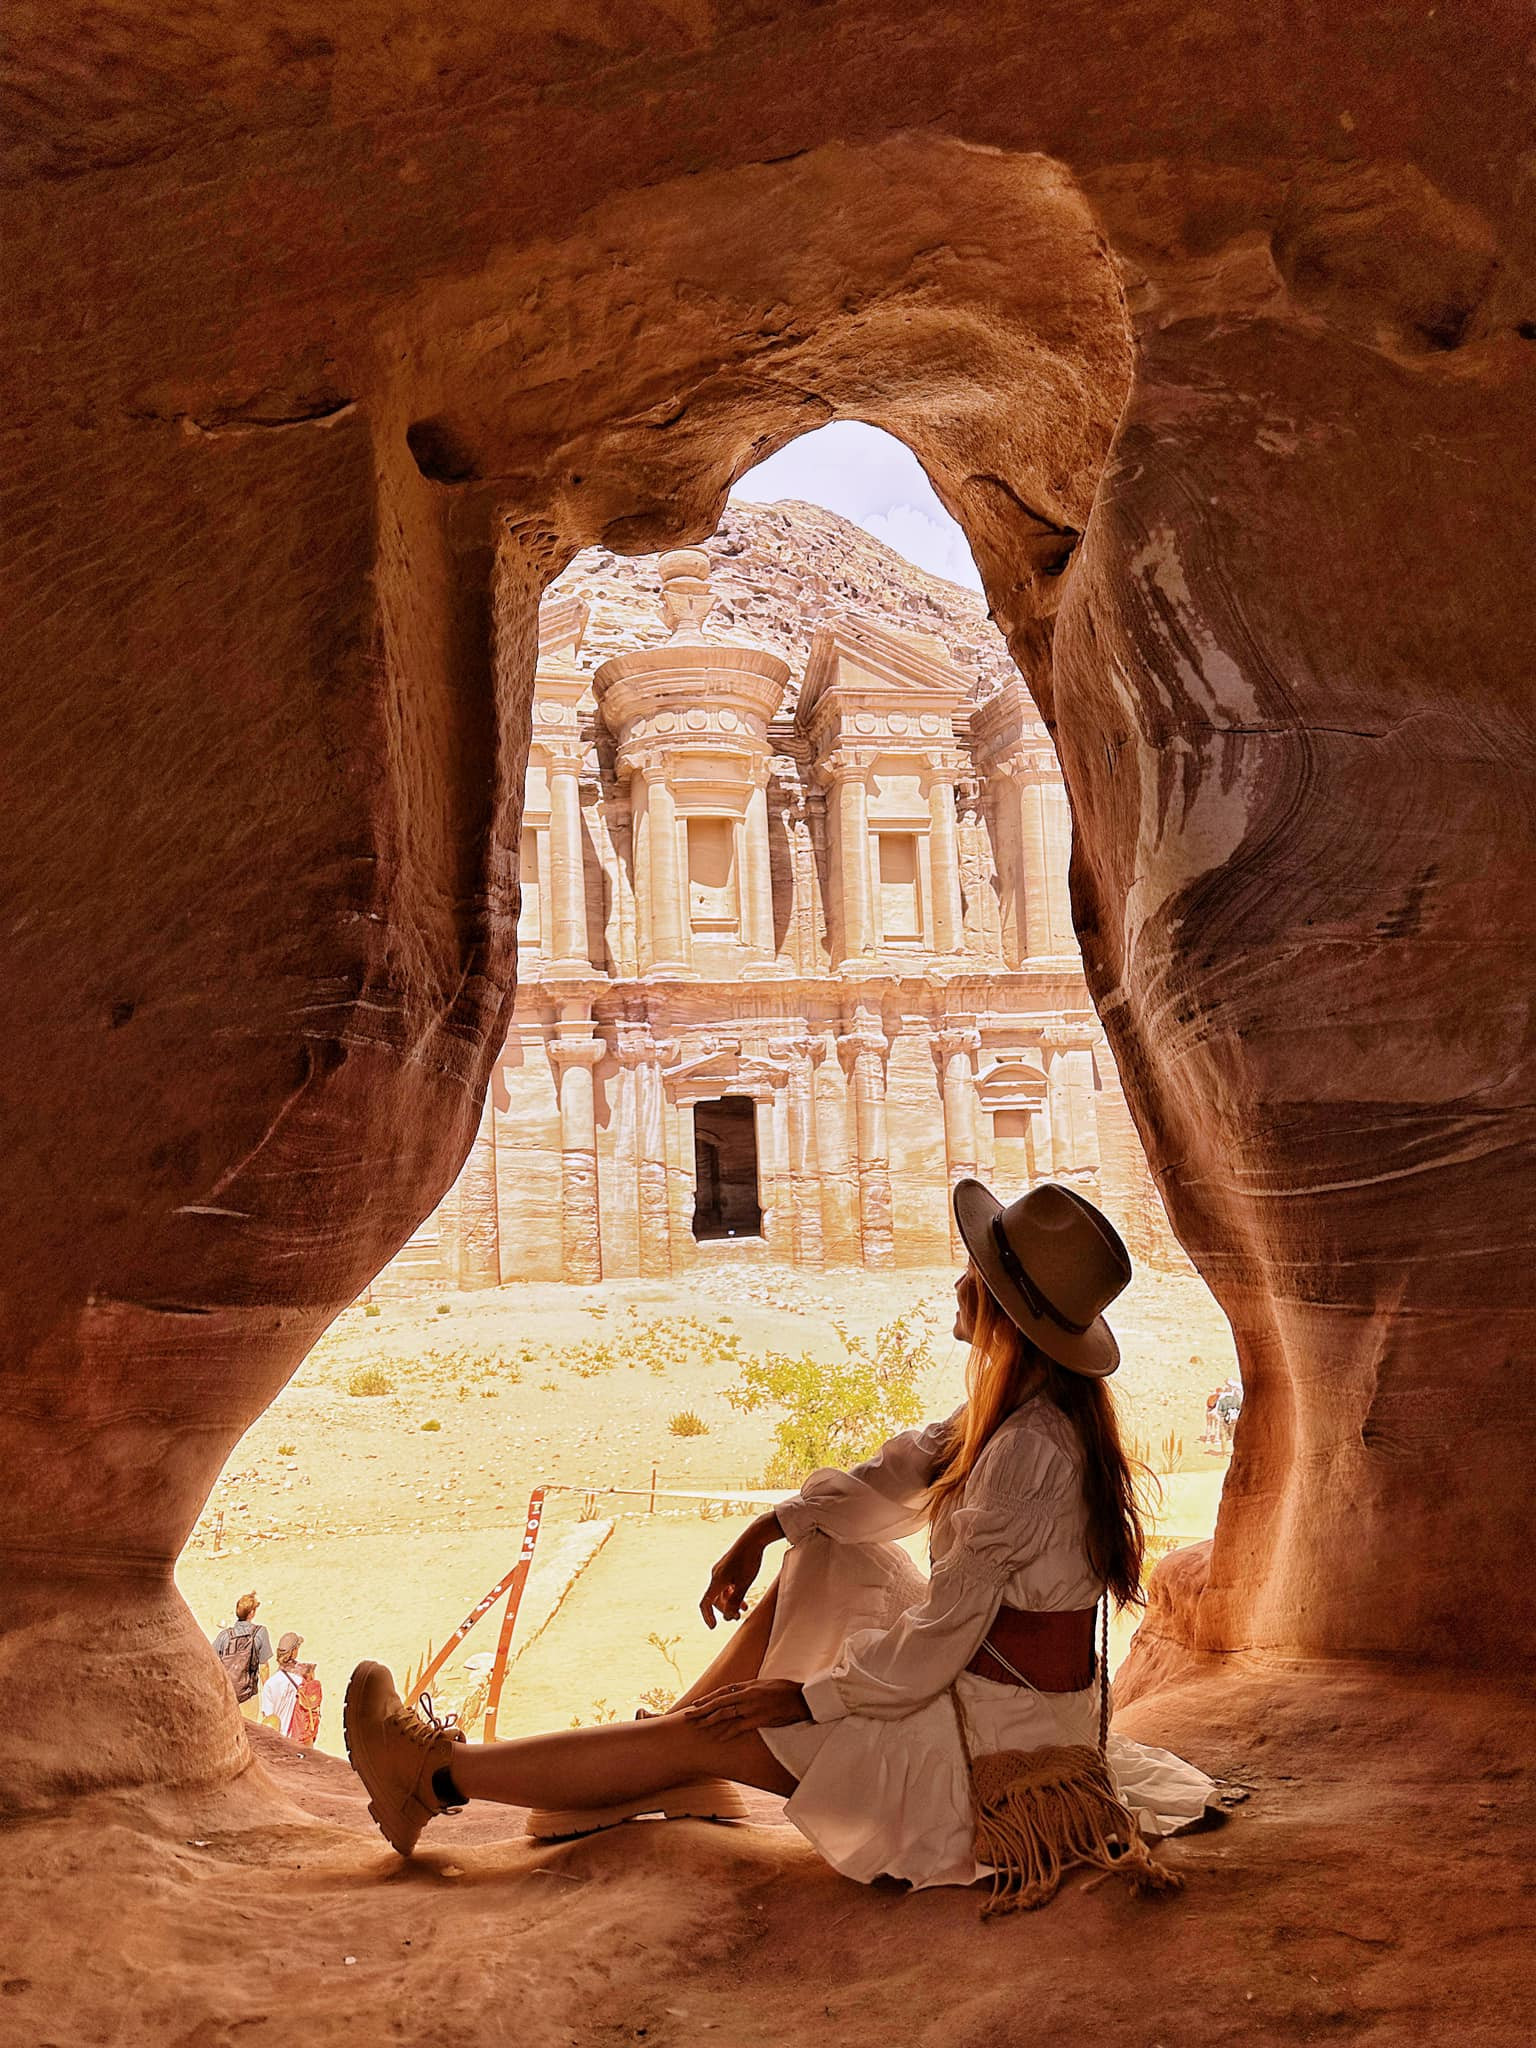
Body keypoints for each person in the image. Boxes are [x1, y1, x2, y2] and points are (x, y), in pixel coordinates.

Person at [343, 1180, 1214, 1901]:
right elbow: (894, 1479)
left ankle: (437, 1777)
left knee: (724, 1723)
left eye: (976, 1270)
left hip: (981, 1754)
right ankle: (676, 1755)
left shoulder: (1029, 1451)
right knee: (827, 1547)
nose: (960, 1279)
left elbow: (939, 1637)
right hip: (981, 1691)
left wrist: (804, 1698)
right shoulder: (1016, 1411)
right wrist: (768, 1529)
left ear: (1003, 1309)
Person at [212, 1592, 273, 1718]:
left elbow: (212, 1660)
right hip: (248, 1696)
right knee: (249, 1727)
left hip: (228, 1695)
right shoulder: (260, 1633)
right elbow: (264, 1668)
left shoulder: (224, 1635)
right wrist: (268, 1694)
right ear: (251, 1613)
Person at [261, 1632, 324, 1747]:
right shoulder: (304, 1678)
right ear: (294, 1651)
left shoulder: (270, 1684)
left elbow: (268, 1718)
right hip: (300, 1740)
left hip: (279, 1743)